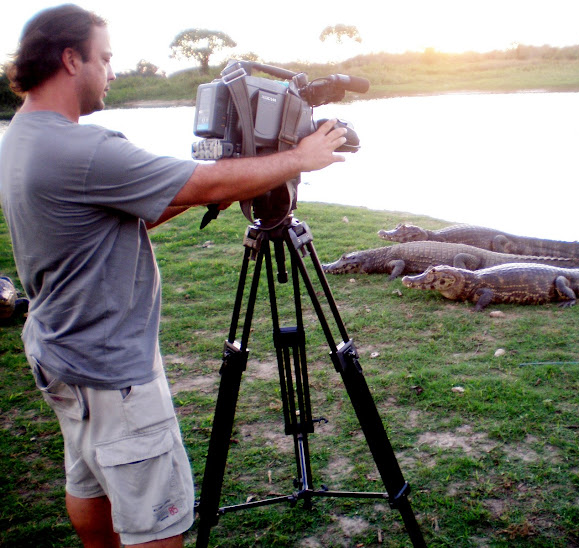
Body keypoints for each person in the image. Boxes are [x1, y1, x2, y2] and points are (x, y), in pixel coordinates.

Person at [0, 4, 348, 547]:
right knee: (157, 526)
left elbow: (138, 206)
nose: (112, 71)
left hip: (61, 351)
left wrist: (206, 181)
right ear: (71, 59)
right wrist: (301, 157)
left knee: (89, 479)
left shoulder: (24, 136)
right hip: (114, 370)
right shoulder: (83, 148)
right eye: (106, 58)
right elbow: (204, 184)